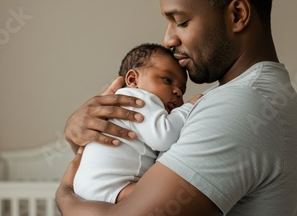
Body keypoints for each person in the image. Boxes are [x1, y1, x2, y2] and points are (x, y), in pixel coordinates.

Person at [57, 0, 297, 215]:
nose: (168, 39)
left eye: (181, 21)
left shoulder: (242, 107)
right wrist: (88, 131)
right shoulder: (247, 97)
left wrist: (65, 195)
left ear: (237, 15)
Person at [74, 43, 202, 203]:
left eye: (182, 91)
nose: (177, 91)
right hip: (108, 186)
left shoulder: (124, 104)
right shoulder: (138, 99)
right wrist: (188, 107)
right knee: (166, 192)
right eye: (168, 80)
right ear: (133, 79)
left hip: (91, 186)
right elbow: (164, 137)